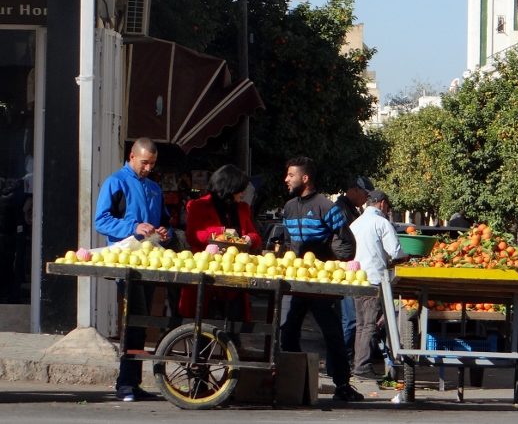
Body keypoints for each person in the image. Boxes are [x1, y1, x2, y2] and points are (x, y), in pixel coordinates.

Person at [278, 156, 363, 403]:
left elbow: (347, 242)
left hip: (321, 283)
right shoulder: (289, 207)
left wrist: (330, 265)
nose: (286, 179)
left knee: (332, 332)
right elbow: (286, 242)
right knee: (288, 331)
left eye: (290, 175)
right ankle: (296, 380)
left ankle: (342, 384)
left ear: (305, 178)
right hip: (295, 282)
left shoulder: (327, 206)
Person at [94, 137, 169, 402]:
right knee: (133, 320)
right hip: (126, 261)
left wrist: (163, 231)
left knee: (142, 320)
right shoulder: (116, 181)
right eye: (145, 162)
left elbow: (166, 224)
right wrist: (133, 227)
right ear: (132, 156)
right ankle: (125, 383)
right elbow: (101, 221)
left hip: (149, 260)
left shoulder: (154, 189)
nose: (148, 168)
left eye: (153, 164)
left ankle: (133, 383)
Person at [178, 164, 262, 319]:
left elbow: (255, 236)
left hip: (235, 277)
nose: (243, 193)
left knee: (233, 329)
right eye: (240, 189)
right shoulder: (199, 206)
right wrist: (221, 233)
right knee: (202, 327)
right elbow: (193, 236)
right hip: (206, 274)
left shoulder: (242, 208)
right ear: (230, 188)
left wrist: (249, 239)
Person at [350, 189, 407, 379]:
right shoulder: (381, 223)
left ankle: (359, 363)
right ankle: (362, 366)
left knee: (361, 324)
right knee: (369, 325)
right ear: (382, 203)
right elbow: (395, 251)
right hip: (374, 280)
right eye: (387, 206)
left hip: (356, 279)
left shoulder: (356, 223)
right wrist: (408, 257)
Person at [331, 173, 370, 368]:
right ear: (353, 190)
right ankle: (342, 361)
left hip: (349, 270)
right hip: (343, 270)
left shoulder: (352, 210)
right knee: (350, 319)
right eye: (365, 193)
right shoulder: (341, 210)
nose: (366, 198)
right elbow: (339, 242)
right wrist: (348, 258)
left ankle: (342, 360)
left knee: (350, 319)